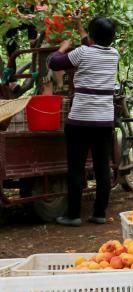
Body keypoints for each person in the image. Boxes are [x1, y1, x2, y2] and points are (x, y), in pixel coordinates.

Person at [47, 16, 119, 227]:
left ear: (93, 35)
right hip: (104, 120)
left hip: (80, 119)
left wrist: (61, 48)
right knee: (102, 167)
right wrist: (81, 28)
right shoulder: (114, 54)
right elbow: (92, 45)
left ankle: (73, 215)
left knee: (76, 167)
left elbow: (54, 63)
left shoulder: (82, 52)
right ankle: (99, 213)